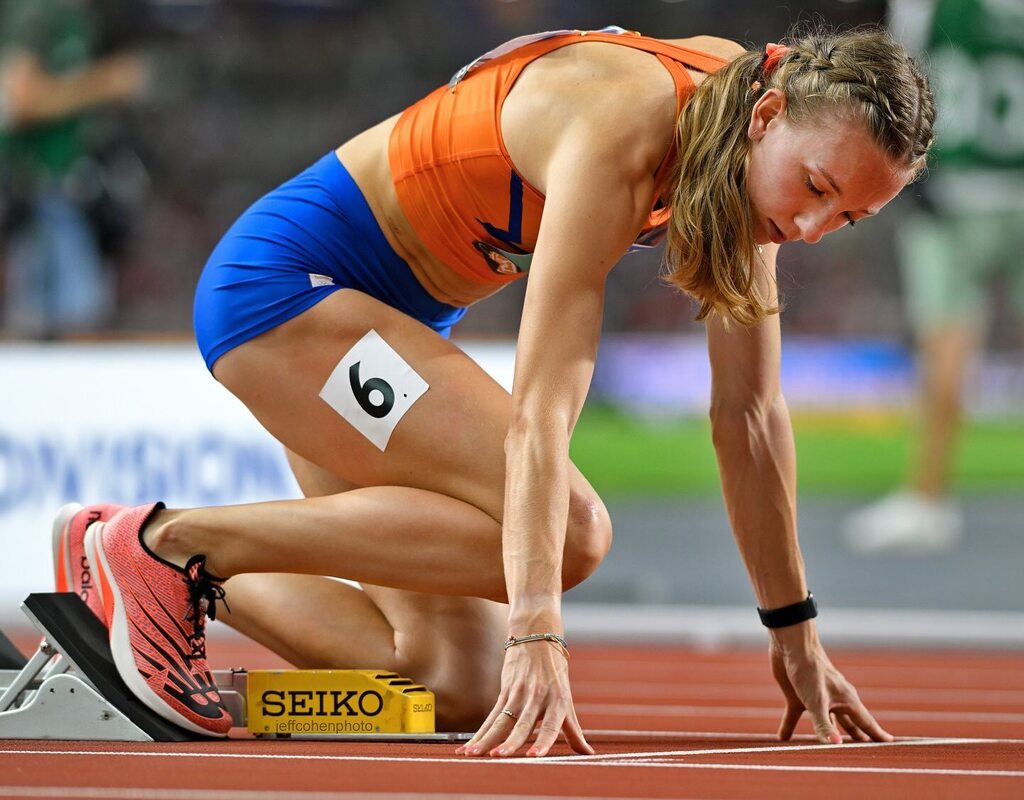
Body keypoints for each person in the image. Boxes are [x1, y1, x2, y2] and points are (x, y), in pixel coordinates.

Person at [54, 23, 933, 754]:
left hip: (378, 326)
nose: (812, 227)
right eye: (817, 188)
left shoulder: (753, 162)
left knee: (456, 689)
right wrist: (538, 633)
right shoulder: (625, 123)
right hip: (291, 291)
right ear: (768, 115)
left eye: (849, 216)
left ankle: (141, 637)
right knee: (575, 536)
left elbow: (749, 418)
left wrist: (796, 630)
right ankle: (161, 543)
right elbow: (541, 415)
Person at [844, 0, 1024, 556]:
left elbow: (900, 86)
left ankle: (927, 498)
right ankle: (924, 498)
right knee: (944, 346)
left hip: (952, 192)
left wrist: (910, 181)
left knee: (945, 346)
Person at [0, 0, 147, 338]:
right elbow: (22, 101)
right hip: (39, 183)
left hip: (71, 182)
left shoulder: (77, 17)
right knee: (68, 316)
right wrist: (104, 82)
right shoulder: (37, 13)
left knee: (76, 312)